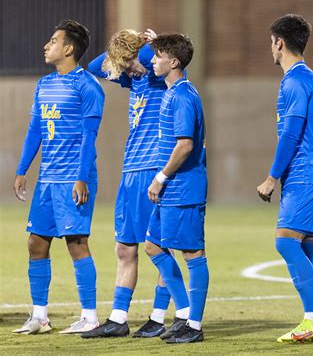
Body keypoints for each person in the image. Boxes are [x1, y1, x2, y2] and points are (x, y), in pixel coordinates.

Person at [83, 29, 189, 338]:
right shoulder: (135, 79)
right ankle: (118, 318)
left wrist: (149, 47)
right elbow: (95, 67)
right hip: (130, 171)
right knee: (124, 246)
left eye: (131, 64)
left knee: (157, 247)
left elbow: (169, 57)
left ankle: (162, 315)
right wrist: (124, 53)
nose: (127, 71)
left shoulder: (160, 78)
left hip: (152, 169)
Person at [13, 20, 105, 334]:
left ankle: (90, 316)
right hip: (47, 180)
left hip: (73, 179)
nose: (46, 45)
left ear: (68, 48)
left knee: (76, 243)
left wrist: (81, 178)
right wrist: (22, 169)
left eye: (53, 40)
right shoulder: (44, 85)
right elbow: (35, 131)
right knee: (36, 243)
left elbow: (88, 136)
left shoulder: (88, 86)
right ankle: (39, 316)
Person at [257, 14, 313, 344]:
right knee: (308, 248)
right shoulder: (309, 77)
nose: (270, 48)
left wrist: (272, 177)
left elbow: (290, 133)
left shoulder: (294, 81)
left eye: (270, 42)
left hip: (304, 172)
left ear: (279, 42)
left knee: (286, 241)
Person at [144, 33, 209, 344]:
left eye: (158, 55)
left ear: (174, 62)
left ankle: (194, 325)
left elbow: (185, 145)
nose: (152, 60)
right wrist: (160, 41)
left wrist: (161, 177)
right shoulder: (173, 90)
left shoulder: (183, 96)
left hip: (183, 187)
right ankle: (183, 311)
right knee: (153, 246)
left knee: (194, 254)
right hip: (172, 190)